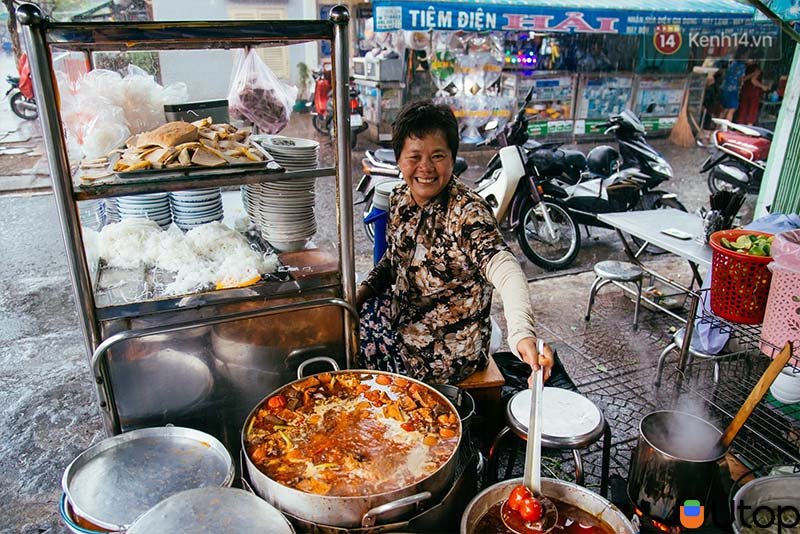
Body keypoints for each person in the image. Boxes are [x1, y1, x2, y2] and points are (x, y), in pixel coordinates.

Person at [356, 100, 554, 386]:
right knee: (347, 328)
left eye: (437, 156)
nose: (425, 167)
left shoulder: (467, 212)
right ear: (399, 159)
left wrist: (522, 332)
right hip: (405, 323)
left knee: (365, 370)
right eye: (414, 157)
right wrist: (360, 294)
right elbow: (393, 259)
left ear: (452, 158)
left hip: (445, 354)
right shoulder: (400, 199)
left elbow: (505, 269)